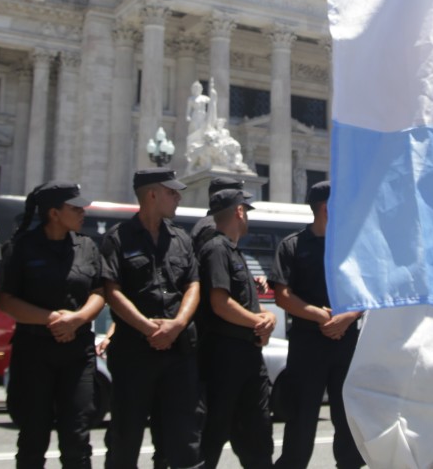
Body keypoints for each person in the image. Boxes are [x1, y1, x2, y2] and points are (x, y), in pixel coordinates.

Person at [0, 181, 106, 469]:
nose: (84, 211)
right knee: (33, 435)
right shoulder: (22, 247)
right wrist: (52, 320)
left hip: (77, 352)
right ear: (54, 213)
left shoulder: (87, 246)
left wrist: (78, 319)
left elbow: (99, 292)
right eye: (75, 207)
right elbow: (6, 301)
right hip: (34, 350)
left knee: (77, 435)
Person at [100, 167, 202, 469]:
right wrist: (147, 328)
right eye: (172, 192)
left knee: (183, 436)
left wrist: (178, 324)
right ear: (152, 194)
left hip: (179, 350)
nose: (178, 197)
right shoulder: (117, 239)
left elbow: (193, 284)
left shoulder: (181, 239)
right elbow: (111, 290)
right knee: (125, 434)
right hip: (134, 351)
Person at [269, 180, 364, 469]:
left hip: (345, 341)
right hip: (308, 344)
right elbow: (283, 295)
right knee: (302, 416)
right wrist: (319, 315)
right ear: (326, 207)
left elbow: (366, 292)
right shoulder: (293, 245)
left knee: (347, 415)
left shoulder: (351, 246)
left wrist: (347, 317)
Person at [196, 187, 277, 468]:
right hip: (224, 357)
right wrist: (259, 322)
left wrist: (267, 318)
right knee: (214, 432)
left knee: (257, 431)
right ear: (239, 212)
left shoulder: (233, 250)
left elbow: (247, 303)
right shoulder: (217, 249)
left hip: (246, 357)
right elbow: (221, 303)